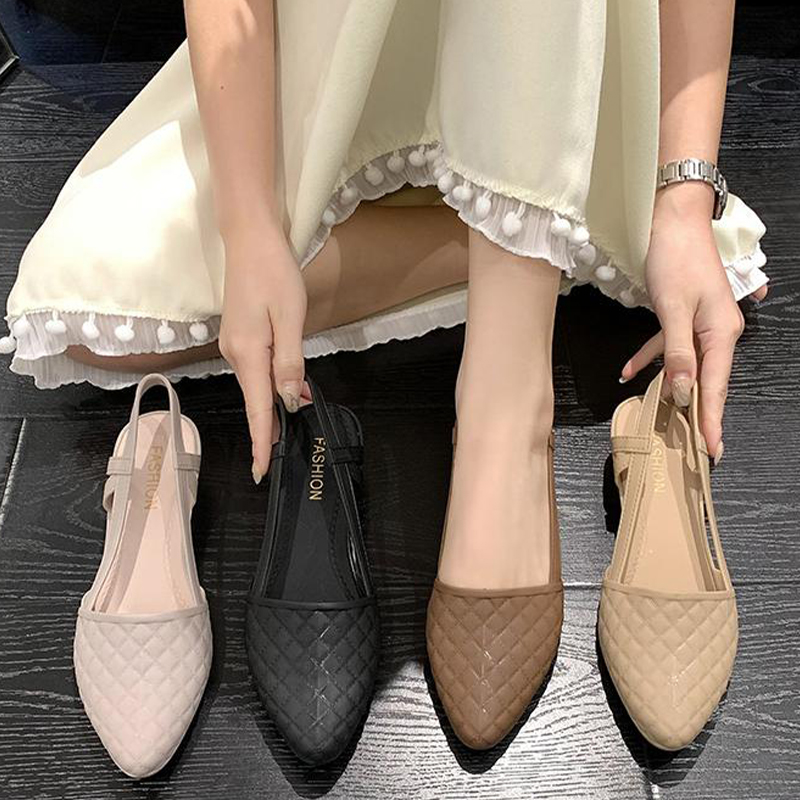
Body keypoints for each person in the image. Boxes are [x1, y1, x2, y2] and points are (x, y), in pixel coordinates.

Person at [2, 0, 767, 596]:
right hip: (350, 51)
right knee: (96, 316)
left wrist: (681, 203)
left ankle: (507, 406)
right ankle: (532, 243)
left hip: (560, 54)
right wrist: (248, 224)